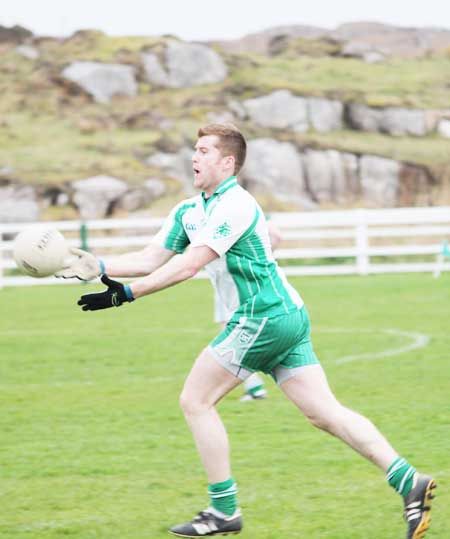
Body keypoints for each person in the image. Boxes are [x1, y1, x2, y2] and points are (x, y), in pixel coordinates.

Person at [58, 123, 436, 539]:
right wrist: (98, 266)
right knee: (324, 413)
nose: (194, 157)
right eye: (195, 150)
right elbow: (152, 258)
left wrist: (125, 295)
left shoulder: (235, 205)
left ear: (227, 162)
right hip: (284, 315)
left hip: (263, 317)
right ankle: (408, 481)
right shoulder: (189, 210)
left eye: (204, 151)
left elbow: (188, 265)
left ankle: (223, 511)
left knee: (195, 400)